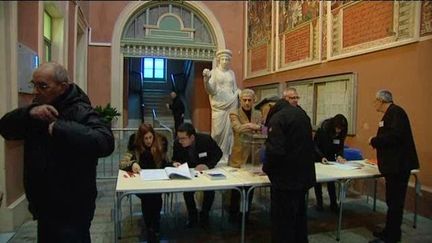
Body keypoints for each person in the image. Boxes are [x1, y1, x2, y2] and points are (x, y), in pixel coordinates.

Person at [0, 62, 115, 242]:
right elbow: (6, 128)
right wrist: (29, 113)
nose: (36, 91)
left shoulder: (80, 109)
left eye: (43, 86)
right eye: (34, 85)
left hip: (73, 207)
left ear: (62, 87)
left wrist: (60, 128)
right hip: (45, 205)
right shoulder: (37, 109)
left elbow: (105, 141)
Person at [368, 90, 419, 243]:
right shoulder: (391, 113)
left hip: (399, 167)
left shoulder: (396, 112)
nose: (374, 104)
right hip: (394, 167)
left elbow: (395, 136)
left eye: (375, 101)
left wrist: (375, 140)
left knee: (396, 203)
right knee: (392, 202)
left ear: (381, 100)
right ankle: (388, 231)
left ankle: (393, 237)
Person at [263, 99, 316, 243]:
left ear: (271, 107)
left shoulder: (278, 119)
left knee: (282, 221)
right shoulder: (302, 114)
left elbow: (275, 151)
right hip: (303, 176)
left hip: (285, 180)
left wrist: (267, 170)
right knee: (299, 217)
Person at [120, 123, 169, 242]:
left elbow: (165, 161)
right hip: (141, 181)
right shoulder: (135, 145)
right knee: (147, 198)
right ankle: (150, 227)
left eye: (150, 137)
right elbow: (122, 163)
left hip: (157, 179)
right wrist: (132, 164)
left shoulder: (160, 143)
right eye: (145, 138)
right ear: (141, 138)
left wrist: (172, 165)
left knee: (156, 197)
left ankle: (155, 225)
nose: (148, 141)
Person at [172, 122, 222, 228]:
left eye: (183, 138)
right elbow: (175, 158)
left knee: (209, 190)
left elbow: (218, 153)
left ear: (192, 137)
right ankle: (192, 216)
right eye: (179, 138)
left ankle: (205, 214)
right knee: (187, 192)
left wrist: (208, 165)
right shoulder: (177, 143)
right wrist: (175, 163)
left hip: (205, 171)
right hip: (188, 172)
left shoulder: (205, 140)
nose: (180, 141)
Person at [228, 89, 262, 222]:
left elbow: (261, 128)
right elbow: (238, 128)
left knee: (250, 186)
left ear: (254, 100)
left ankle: (246, 214)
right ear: (240, 100)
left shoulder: (258, 113)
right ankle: (233, 213)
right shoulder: (234, 112)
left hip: (254, 154)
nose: (247, 102)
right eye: (244, 100)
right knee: (237, 187)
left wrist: (250, 126)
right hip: (239, 154)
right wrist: (253, 126)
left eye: (249, 100)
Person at [202, 49, 240, 164]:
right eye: (223, 59)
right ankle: (214, 156)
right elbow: (211, 90)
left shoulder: (231, 73)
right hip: (219, 106)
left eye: (227, 59)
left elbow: (235, 89)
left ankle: (225, 157)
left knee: (229, 133)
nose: (225, 61)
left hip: (231, 103)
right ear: (219, 60)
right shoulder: (214, 72)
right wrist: (206, 80)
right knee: (217, 133)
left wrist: (240, 92)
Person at [313, 114, 348, 212]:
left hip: (330, 158)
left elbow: (340, 146)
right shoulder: (323, 128)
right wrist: (321, 157)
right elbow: (315, 145)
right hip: (319, 156)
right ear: (333, 126)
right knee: (318, 181)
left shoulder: (342, 132)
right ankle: (319, 203)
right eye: (337, 128)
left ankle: (333, 203)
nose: (338, 131)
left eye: (340, 129)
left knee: (331, 180)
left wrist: (340, 155)